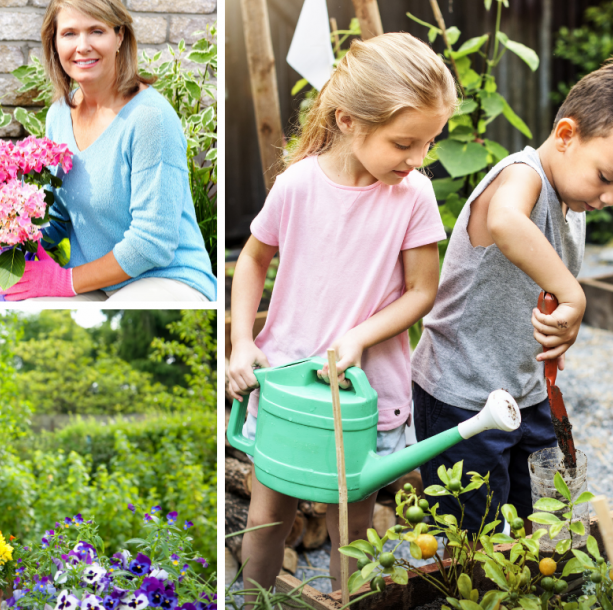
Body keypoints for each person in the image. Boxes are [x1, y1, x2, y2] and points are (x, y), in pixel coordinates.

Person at [226, 33, 456, 595]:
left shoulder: (415, 195)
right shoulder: (298, 184)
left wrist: (358, 337)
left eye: (428, 142)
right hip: (284, 384)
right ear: (349, 120)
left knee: (350, 534)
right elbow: (253, 259)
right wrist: (239, 342)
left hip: (365, 392)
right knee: (264, 525)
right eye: (405, 143)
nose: (418, 159)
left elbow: (422, 292)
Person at [411, 57, 613, 534]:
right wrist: (573, 293)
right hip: (463, 396)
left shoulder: (572, 202)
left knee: (537, 519)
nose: (610, 199)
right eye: (605, 178)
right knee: (472, 535)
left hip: (525, 394)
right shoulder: (523, 175)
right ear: (565, 135)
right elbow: (507, 223)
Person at [0, 0, 216, 303]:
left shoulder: (150, 119)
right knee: (18, 304)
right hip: (98, 283)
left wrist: (63, 279)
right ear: (54, 42)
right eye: (70, 33)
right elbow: (58, 213)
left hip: (167, 279)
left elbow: (151, 244)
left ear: (120, 37)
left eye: (96, 31)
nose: (83, 46)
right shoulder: (58, 115)